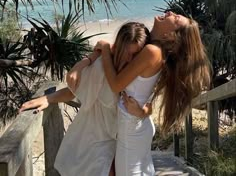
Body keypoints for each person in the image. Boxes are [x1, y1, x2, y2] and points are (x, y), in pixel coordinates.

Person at [79, 11, 211, 176]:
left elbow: (115, 84)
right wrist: (144, 111)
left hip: (131, 128)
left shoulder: (152, 51)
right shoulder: (151, 49)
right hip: (136, 122)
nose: (171, 12)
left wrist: (105, 49)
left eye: (176, 18)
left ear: (171, 35)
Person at [20, 22, 151, 176]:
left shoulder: (140, 75)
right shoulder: (103, 66)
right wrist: (49, 98)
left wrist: (142, 111)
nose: (130, 59)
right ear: (119, 48)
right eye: (127, 53)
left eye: (136, 55)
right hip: (95, 141)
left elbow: (150, 104)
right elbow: (74, 90)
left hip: (123, 141)